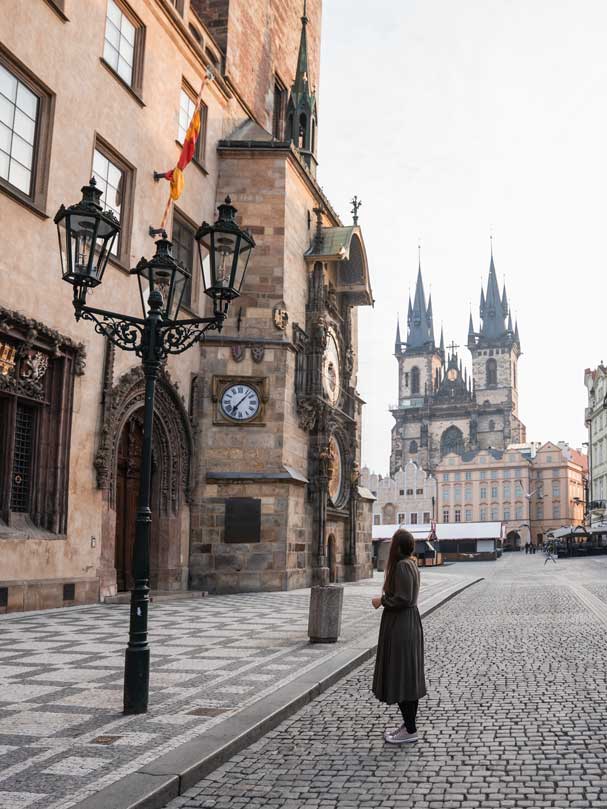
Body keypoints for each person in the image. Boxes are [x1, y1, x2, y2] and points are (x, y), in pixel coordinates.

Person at [372, 529, 427, 745]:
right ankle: (408, 724)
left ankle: (410, 729)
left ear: (398, 547)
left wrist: (382, 601)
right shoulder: (411, 564)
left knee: (402, 675)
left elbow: (403, 598)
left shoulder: (403, 566)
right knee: (407, 676)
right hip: (407, 624)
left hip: (402, 626)